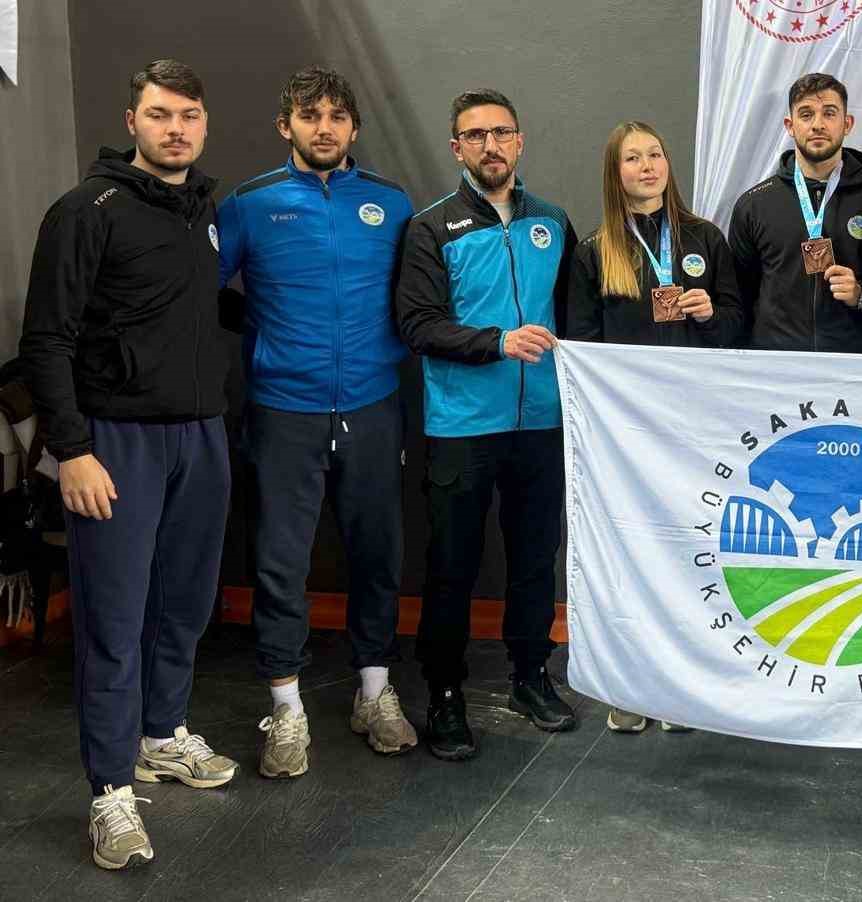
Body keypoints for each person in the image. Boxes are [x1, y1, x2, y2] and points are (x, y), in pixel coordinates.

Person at [20, 58, 238, 870]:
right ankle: (110, 790)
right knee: (114, 622)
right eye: (159, 114)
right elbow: (45, 340)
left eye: (188, 115)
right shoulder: (86, 210)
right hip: (115, 444)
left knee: (183, 605)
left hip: (201, 437)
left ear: (204, 124)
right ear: (132, 122)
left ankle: (160, 735)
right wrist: (72, 450)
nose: (175, 129)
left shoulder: (203, 210)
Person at [216, 65, 417, 779]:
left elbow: (417, 298)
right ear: (286, 126)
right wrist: (263, 331)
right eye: (309, 116)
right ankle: (287, 707)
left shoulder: (391, 203)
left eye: (336, 116)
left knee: (377, 553)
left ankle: (374, 692)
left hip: (372, 403)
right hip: (284, 409)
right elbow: (198, 291)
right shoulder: (249, 204)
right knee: (280, 563)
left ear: (354, 127)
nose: (323, 128)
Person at [394, 89, 578, 761]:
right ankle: (445, 693)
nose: (490, 145)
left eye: (501, 132)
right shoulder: (431, 228)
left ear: (520, 141)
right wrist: (496, 342)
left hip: (542, 421)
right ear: (457, 149)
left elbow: (575, 321)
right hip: (462, 424)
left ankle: (531, 676)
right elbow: (417, 325)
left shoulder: (553, 222)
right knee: (452, 565)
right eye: (476, 135)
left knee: (534, 557)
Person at [567, 120, 741, 731]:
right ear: (614, 174)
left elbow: (738, 328)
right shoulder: (595, 250)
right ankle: (632, 684)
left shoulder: (706, 238)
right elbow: (582, 346)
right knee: (635, 552)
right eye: (632, 158)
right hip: (630, 434)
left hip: (697, 424)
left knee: (693, 548)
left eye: (656, 154)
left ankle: (684, 685)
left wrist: (711, 312)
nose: (647, 166)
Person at [729, 72, 862, 353]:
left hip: (854, 362)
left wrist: (861, 295)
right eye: (806, 114)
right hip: (776, 361)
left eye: (829, 113)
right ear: (790, 126)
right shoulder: (754, 205)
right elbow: (740, 296)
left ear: (847, 124)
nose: (817, 124)